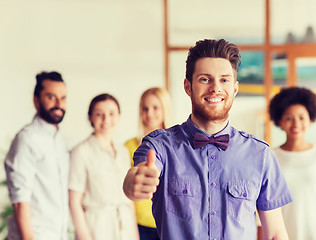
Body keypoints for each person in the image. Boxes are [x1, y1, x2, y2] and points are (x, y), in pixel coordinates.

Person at [123, 39, 293, 240]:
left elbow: (275, 234)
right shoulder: (159, 146)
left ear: (235, 89)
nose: (215, 88)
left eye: (224, 80)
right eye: (205, 79)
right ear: (188, 87)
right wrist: (134, 182)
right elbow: (138, 175)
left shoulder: (260, 154)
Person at [268, 87, 316, 240]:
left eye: (302, 118)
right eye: (289, 118)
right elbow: (265, 208)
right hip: (283, 235)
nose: (296, 123)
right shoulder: (270, 157)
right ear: (280, 122)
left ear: (310, 119)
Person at [4, 71, 69, 240]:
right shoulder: (27, 139)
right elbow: (20, 201)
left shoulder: (61, 141)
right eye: (51, 97)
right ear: (36, 100)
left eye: (63, 98)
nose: (59, 103)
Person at [68, 93, 139, 240]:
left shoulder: (123, 151)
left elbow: (129, 199)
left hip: (125, 227)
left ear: (118, 116)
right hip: (97, 227)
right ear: (90, 118)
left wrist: (135, 234)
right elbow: (74, 202)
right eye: (99, 114)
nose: (106, 119)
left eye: (111, 114)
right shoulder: (81, 152)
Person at [124, 87, 171, 240]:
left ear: (164, 109)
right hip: (140, 226)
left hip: (169, 224)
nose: (149, 113)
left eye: (155, 107)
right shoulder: (129, 146)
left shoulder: (177, 146)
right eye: (145, 108)